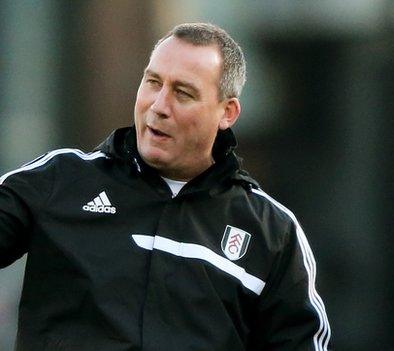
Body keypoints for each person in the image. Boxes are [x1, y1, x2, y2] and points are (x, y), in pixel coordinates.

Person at [0, 22, 331, 350]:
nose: (159, 106)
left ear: (227, 112)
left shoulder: (271, 233)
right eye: (153, 82)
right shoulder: (62, 180)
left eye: (182, 93)